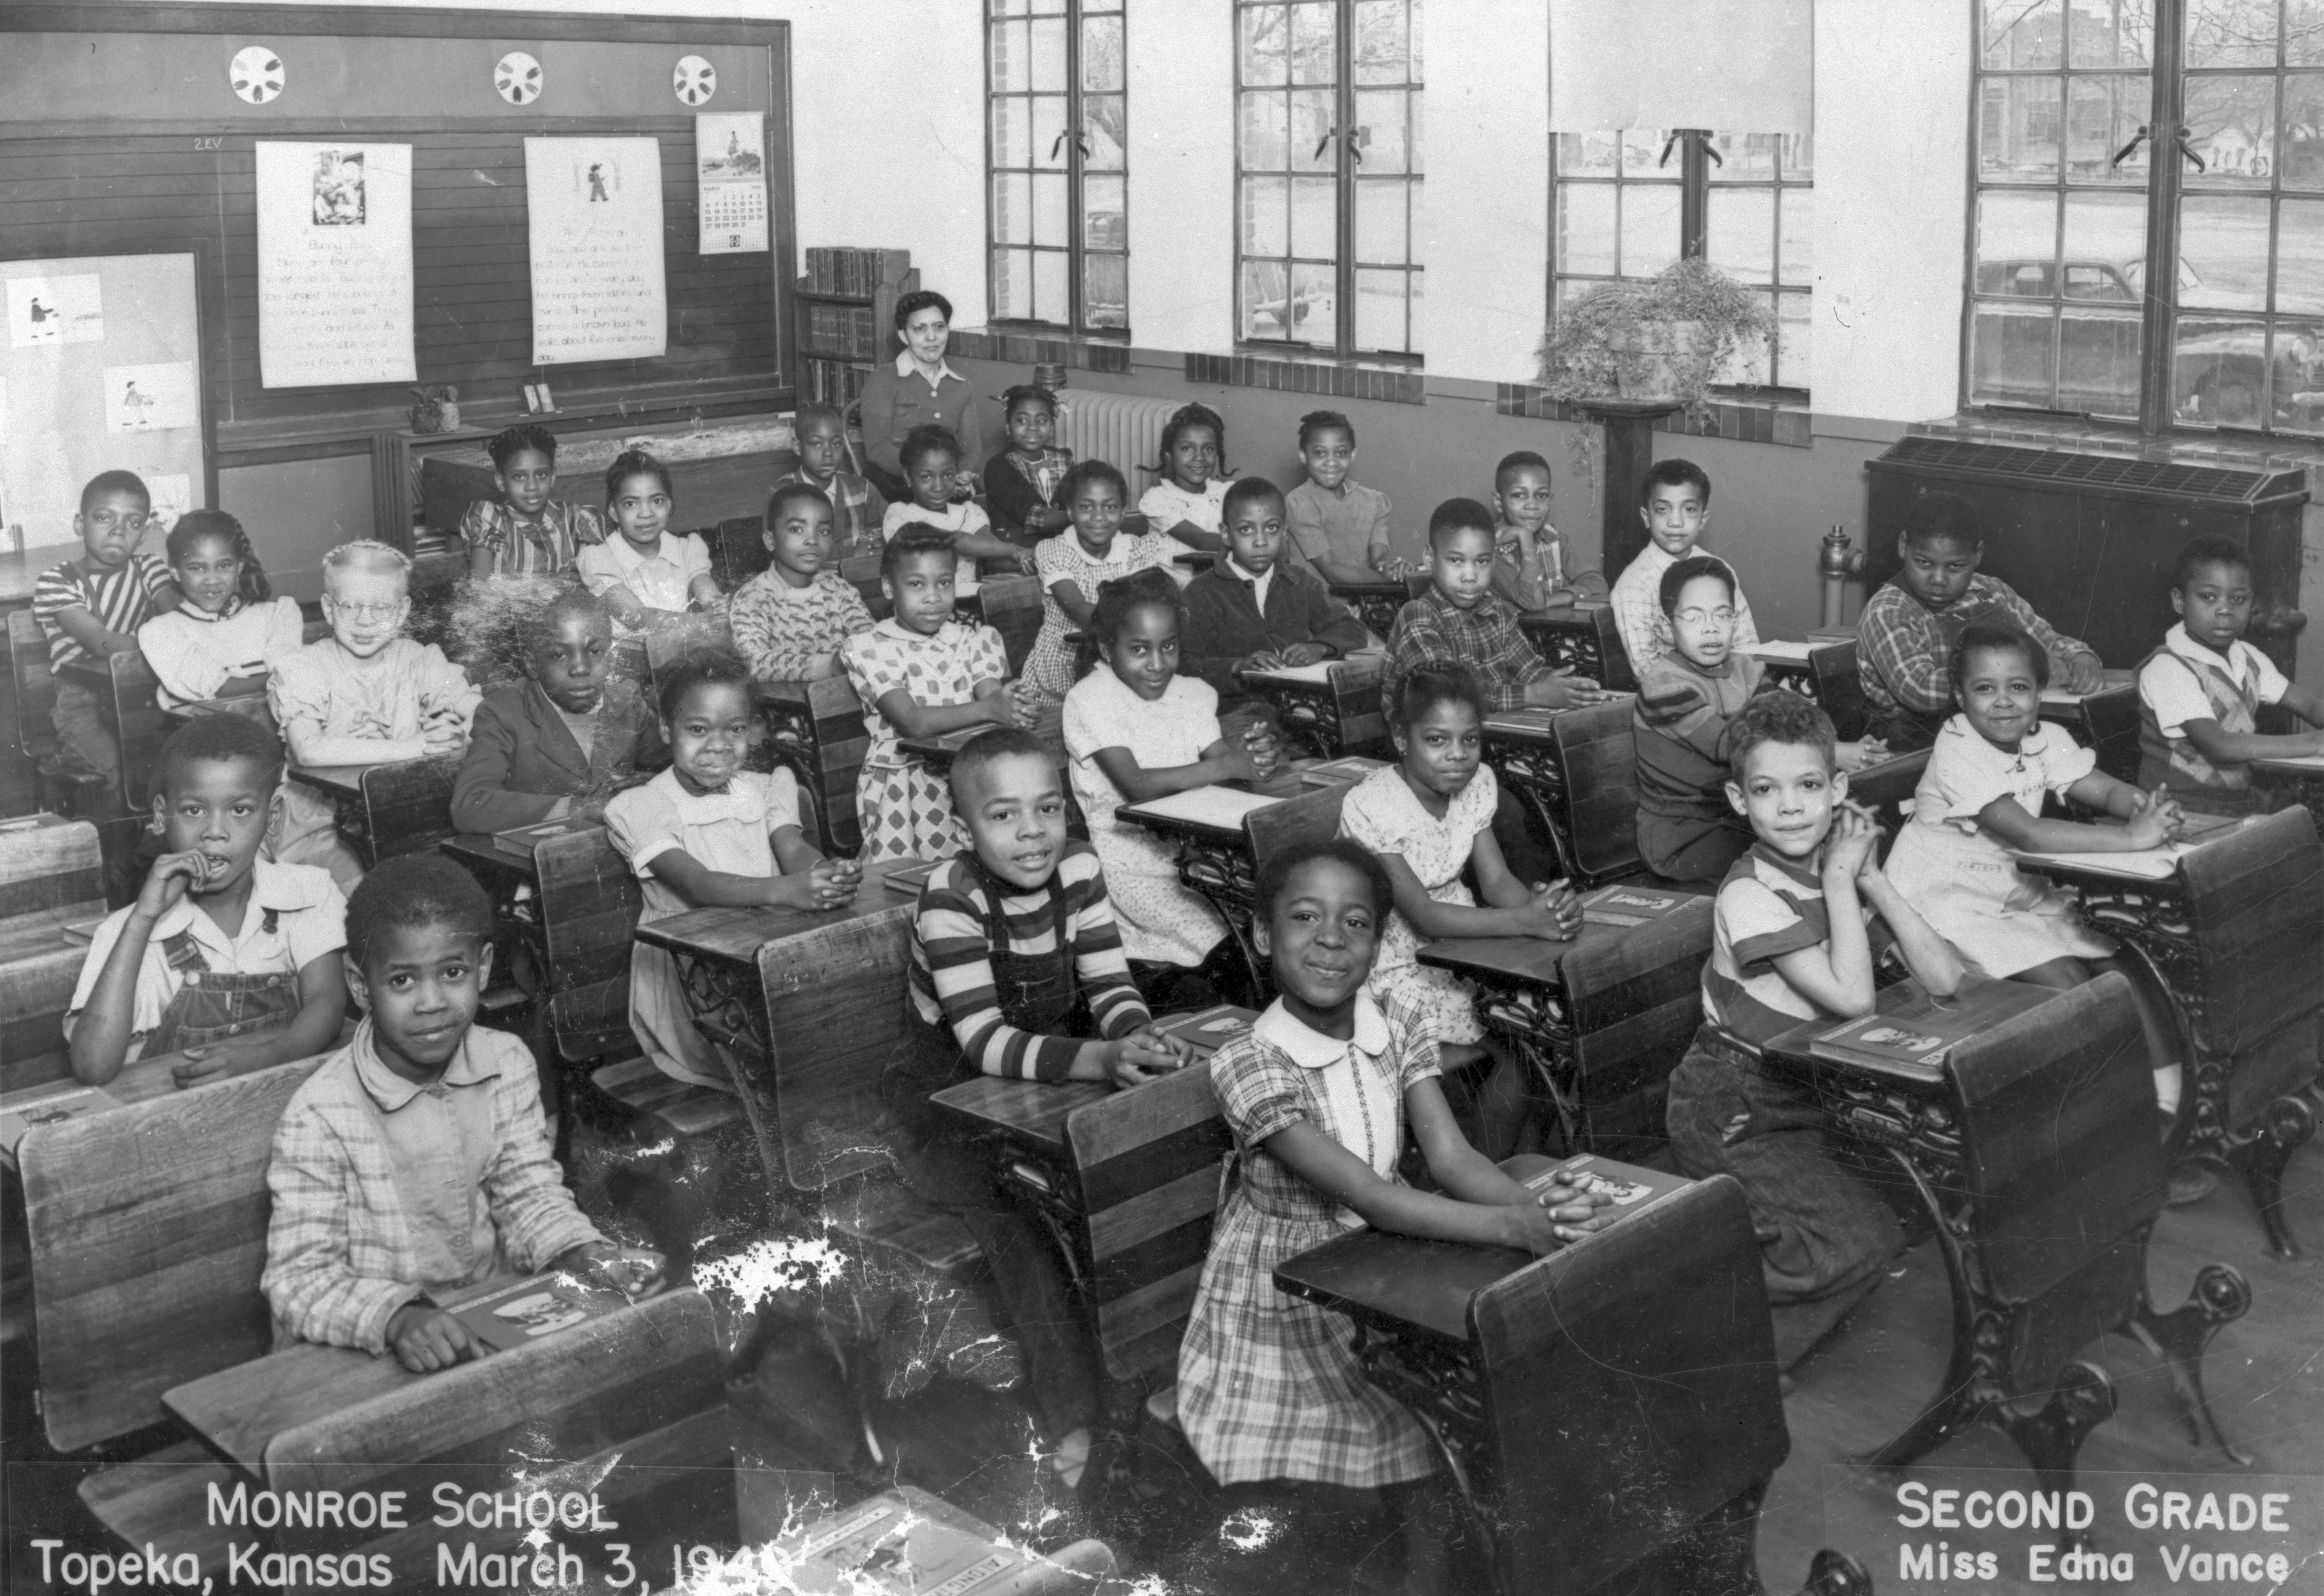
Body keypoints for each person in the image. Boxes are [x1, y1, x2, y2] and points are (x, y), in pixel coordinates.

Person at [1174, 837, 1610, 1587]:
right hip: (1287, 1291)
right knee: (1425, 1436)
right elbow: (1371, 1195)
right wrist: (1514, 1227)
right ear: (1262, 934)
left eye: (1357, 923)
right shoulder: (1250, 1060)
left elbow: (1452, 1159)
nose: (1331, 940)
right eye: (1305, 918)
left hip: (1379, 1255)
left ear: (1381, 942)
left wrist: (1543, 1217)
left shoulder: (1395, 1019)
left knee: (1490, 1399)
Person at [882, 727, 1195, 1495]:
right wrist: (1099, 1058)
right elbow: (984, 1040)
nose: (1032, 832)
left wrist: (1136, 1033)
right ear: (965, 828)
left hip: (1041, 1084)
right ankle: (1072, 1415)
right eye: (1004, 815)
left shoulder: (1082, 866)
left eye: (1048, 808)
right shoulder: (950, 896)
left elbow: (1109, 984)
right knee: (1023, 1224)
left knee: (1152, 1163)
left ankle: (1168, 1377)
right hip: (944, 1113)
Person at [261, 854, 659, 1368]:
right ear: (361, 985)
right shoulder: (319, 1115)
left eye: (453, 972)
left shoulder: (505, 1062)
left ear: (485, 967)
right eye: (402, 981)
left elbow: (529, 1196)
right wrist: (397, 1317)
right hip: (361, 1349)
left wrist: (580, 1251)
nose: (432, 1002)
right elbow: (298, 1280)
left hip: (480, 1322)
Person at [1668, 692, 1964, 1366]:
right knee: (1864, 1240)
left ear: (1837, 788)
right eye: (1767, 791)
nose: (1792, 806)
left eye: (1808, 786)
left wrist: (1875, 882)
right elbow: (1853, 1000)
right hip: (1731, 1106)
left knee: (1908, 1215)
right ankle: (1707, 1313)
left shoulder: (1830, 869)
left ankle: (1762, 1328)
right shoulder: (1749, 894)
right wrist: (1840, 881)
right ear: (1740, 801)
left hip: (1804, 1092)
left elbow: (1943, 979)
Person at [1884, 623, 2192, 1127]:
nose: (2003, 702)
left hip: (2014, 890)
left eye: (2019, 687)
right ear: (1959, 696)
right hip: (1942, 903)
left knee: (2125, 969)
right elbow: (2027, 833)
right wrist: (2133, 837)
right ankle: (2105, 1118)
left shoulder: (2046, 738)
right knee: (2067, 982)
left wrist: (2147, 807)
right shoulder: (1956, 747)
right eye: (1985, 689)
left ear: (2039, 690)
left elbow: (2104, 789)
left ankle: (2164, 1108)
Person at [1339, 662, 1580, 1158]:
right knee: (1522, 1047)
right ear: (1402, 738)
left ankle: (1517, 1163)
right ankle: (1481, 1172)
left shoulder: (1477, 785)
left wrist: (1544, 908)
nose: (1457, 756)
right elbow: (1424, 916)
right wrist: (1523, 921)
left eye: (1470, 740)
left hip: (1467, 943)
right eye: (1437, 739)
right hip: (1396, 965)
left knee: (1540, 1037)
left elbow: (1495, 882)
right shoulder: (1371, 805)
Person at [605, 648, 859, 1090]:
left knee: (846, 1022)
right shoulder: (644, 805)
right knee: (812, 1050)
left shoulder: (763, 789)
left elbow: (793, 847)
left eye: (735, 728)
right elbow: (699, 884)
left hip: (762, 956)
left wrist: (825, 873)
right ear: (666, 729)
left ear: (753, 730)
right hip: (697, 987)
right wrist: (788, 890)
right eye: (698, 729)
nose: (719, 744)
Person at [67, 713, 348, 1087]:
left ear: (274, 816)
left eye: (240, 810)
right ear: (161, 816)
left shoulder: (309, 893)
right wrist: (143, 918)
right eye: (194, 810)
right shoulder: (125, 930)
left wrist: (267, 1057)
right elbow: (92, 1066)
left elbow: (327, 1003)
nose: (215, 832)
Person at [1063, 569, 1278, 1010]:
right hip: (1132, 863)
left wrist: (1252, 758)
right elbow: (1136, 784)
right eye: (1139, 650)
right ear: (1107, 649)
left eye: (1169, 647)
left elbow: (1222, 762)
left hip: (1200, 852)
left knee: (1269, 929)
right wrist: (1225, 764)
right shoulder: (1092, 698)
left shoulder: (1192, 693)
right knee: (1233, 946)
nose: (1158, 663)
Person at [1634, 556, 1885, 885]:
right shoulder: (1665, 685)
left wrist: (1842, 748)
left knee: (1848, 831)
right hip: (1685, 834)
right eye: (1694, 617)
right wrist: (1837, 754)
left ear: (1735, 621)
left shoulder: (1745, 669)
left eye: (1722, 615)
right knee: (1808, 854)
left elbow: (1793, 718)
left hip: (1737, 814)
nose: (1711, 627)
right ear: (1667, 626)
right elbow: (1730, 745)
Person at [268, 541, 480, 890]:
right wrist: (416, 747)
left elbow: (474, 709)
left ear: (402, 611)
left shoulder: (419, 660)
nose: (365, 620)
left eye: (381, 607)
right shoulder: (305, 668)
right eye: (350, 605)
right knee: (369, 891)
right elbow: (309, 749)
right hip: (323, 827)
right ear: (328, 608)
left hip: (405, 819)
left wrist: (464, 732)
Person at [1857, 491, 2103, 752]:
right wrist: (2026, 673)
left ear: (1977, 555)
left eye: (1956, 567)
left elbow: (2046, 639)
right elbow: (1920, 690)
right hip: (1922, 745)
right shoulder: (1889, 612)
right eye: (1924, 563)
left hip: (1992, 731)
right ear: (1903, 546)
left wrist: (2078, 657)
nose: (1939, 579)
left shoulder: (1991, 591)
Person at [840, 527, 1030, 860]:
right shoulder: (869, 648)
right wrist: (992, 708)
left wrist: (1015, 708)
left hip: (969, 774)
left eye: (944, 582)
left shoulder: (975, 639)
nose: (933, 596)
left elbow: (996, 703)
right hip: (906, 787)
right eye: (916, 584)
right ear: (888, 586)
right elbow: (913, 722)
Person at [449, 584, 662, 834]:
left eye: (595, 652)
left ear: (611, 658)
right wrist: (581, 809)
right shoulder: (503, 712)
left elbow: (681, 764)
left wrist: (659, 785)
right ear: (533, 665)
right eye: (559, 655)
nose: (581, 668)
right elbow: (470, 805)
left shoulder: (627, 703)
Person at [2136, 533, 2324, 814]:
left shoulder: (2248, 656)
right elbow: (2220, 746)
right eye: (2208, 597)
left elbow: (2310, 706)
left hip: (2233, 805)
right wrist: (2315, 742)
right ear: (2180, 601)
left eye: (2238, 599)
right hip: (2176, 813)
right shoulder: (2168, 667)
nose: (2225, 610)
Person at [1387, 496, 1607, 716]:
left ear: (1493, 560)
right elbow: (1449, 696)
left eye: (1482, 562)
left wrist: (1565, 688)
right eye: (1456, 561)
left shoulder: (1500, 613)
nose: (1471, 577)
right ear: (1429, 558)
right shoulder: (1418, 616)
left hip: (1485, 735)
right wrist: (1535, 695)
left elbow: (1529, 671)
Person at [1180, 476, 1369, 714]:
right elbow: (1183, 664)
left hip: (1302, 705)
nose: (1261, 541)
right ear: (1226, 535)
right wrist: (1238, 666)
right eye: (1246, 530)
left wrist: (1319, 648)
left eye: (1271, 528)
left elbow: (1352, 628)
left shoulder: (1298, 581)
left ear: (1285, 532)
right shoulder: (1202, 592)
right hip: (1238, 709)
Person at [33, 470, 177, 778]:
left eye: (133, 522)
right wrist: (166, 640)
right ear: (79, 524)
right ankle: (120, 827)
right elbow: (101, 642)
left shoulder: (149, 568)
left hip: (144, 697)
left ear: (144, 532)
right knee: (118, 767)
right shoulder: (58, 581)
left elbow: (180, 622)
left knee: (172, 765)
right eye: (104, 518)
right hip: (82, 708)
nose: (119, 531)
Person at [1022, 460, 1173, 702]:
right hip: (1061, 674)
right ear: (1070, 511)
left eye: (1110, 507)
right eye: (1087, 507)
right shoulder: (1055, 551)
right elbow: (1080, 609)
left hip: (1121, 666)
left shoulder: (1137, 550)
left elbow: (1150, 603)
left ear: (1124, 512)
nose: (1099, 517)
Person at [137, 509, 304, 712]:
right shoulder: (162, 632)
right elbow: (222, 688)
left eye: (224, 566)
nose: (212, 580)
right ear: (175, 571)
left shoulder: (277, 616)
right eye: (197, 568)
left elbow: (287, 670)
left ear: (239, 567)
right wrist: (283, 680)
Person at [1607, 459, 1760, 671]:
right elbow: (1646, 665)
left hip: (1730, 685)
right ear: (1646, 517)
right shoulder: (1635, 584)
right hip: (1672, 693)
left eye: (1689, 509)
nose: (1676, 522)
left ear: (1703, 519)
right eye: (1663, 509)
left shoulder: (1718, 570)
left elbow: (1747, 645)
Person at [728, 482, 875, 683]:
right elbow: (754, 663)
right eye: (797, 529)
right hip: (787, 710)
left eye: (823, 531)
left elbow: (871, 640)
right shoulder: (753, 598)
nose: (812, 540)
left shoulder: (838, 589)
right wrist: (830, 665)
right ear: (771, 541)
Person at [856, 289, 988, 497]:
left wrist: (956, 477)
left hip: (947, 482)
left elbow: (971, 451)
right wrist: (929, 477)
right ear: (904, 336)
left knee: (980, 517)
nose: (932, 337)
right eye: (919, 329)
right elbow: (878, 448)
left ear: (948, 330)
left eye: (939, 327)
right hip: (896, 480)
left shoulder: (962, 385)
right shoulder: (883, 380)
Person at [576, 449, 721, 635]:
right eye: (631, 504)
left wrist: (719, 607)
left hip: (680, 648)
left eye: (657, 501)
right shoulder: (599, 557)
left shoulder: (686, 549)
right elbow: (639, 617)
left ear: (669, 505)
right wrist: (702, 622)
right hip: (630, 655)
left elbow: (710, 596)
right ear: (613, 511)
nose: (646, 514)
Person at [458, 424, 603, 578]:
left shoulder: (578, 520)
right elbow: (483, 594)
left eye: (541, 474)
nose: (532, 487)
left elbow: (600, 583)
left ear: (553, 477)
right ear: (501, 481)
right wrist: (556, 586)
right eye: (519, 477)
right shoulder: (491, 521)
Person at [877, 425, 1028, 572]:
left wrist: (1026, 563)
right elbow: (954, 540)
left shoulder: (969, 514)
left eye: (948, 475)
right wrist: (1014, 549)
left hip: (970, 597)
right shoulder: (900, 514)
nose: (939, 486)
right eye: (926, 477)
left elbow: (996, 552)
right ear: (908, 477)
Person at [1284, 410, 1402, 586]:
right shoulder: (1300, 503)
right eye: (1320, 453)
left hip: (1366, 603)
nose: (1331, 462)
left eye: (1341, 453)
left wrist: (1395, 569)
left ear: (1353, 454)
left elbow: (1380, 558)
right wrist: (1385, 580)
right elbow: (1332, 571)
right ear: (1303, 455)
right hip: (1318, 606)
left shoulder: (1375, 502)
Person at [1490, 450, 1604, 612]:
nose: (1532, 505)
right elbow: (1533, 602)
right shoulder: (1488, 547)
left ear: (1550, 500)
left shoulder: (1556, 538)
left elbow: (1597, 584)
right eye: (1519, 495)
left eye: (1541, 495)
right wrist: (1525, 537)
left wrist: (1550, 601)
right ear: (1499, 502)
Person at [774, 402, 886, 557]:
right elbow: (782, 552)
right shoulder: (782, 493)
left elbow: (877, 535)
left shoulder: (863, 490)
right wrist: (851, 554)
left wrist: (866, 543)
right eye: (816, 444)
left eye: (836, 444)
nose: (828, 453)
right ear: (798, 447)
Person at [982, 384, 1074, 549]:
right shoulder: (998, 467)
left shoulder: (1065, 460)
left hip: (1063, 549)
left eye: (1041, 421)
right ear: (1009, 428)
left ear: (1052, 428)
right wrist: (1080, 516)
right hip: (1018, 553)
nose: (1033, 428)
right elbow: (1031, 515)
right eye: (1022, 421)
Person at [1137, 402, 1231, 564]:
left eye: (1208, 449)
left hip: (1217, 584)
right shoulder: (1159, 499)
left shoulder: (1227, 493)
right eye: (1187, 448)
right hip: (1173, 583)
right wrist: (1254, 543)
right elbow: (1202, 541)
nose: (1199, 457)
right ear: (1169, 456)